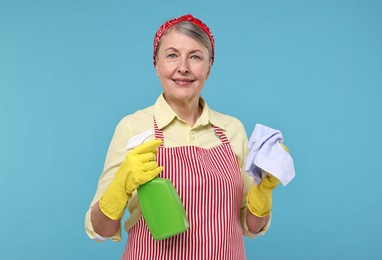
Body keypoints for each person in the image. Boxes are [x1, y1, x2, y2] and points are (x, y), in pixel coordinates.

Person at [85, 14, 281, 259]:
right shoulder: (133, 127)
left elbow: (251, 226)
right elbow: (100, 231)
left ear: (209, 68)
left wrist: (263, 191)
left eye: (196, 57)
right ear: (156, 65)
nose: (183, 67)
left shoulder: (232, 129)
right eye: (172, 55)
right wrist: (120, 186)